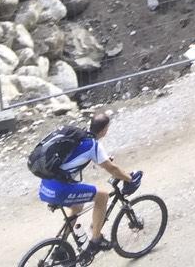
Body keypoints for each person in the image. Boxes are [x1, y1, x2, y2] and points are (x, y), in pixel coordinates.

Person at [35, 110, 138, 262]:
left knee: (77, 206)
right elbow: (113, 169)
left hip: (46, 186)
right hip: (60, 190)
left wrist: (103, 160)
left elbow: (75, 159)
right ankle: (96, 240)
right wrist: (129, 178)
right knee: (102, 196)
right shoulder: (94, 145)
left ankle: (60, 248)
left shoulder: (77, 137)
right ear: (104, 130)